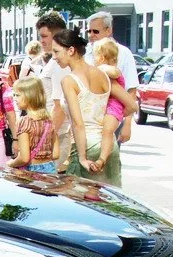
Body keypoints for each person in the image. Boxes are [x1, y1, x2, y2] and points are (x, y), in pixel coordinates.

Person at [54, 28, 129, 187]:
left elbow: (78, 124)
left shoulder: (69, 81)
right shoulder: (103, 74)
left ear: (71, 50)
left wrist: (82, 157)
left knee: (77, 198)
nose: (54, 57)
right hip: (109, 145)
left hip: (85, 145)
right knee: (110, 197)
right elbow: (131, 105)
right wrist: (112, 121)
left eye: (56, 51)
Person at [85, 11, 139, 144]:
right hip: (89, 117)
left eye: (95, 31)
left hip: (112, 115)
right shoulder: (85, 52)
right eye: (89, 31)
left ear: (108, 30)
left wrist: (127, 124)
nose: (91, 35)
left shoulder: (124, 53)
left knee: (109, 153)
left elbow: (131, 90)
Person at [93, 38, 138, 172]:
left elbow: (114, 72)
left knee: (107, 131)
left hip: (114, 107)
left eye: (95, 57)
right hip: (108, 107)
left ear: (101, 58)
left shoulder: (113, 71)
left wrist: (100, 68)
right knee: (104, 132)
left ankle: (102, 158)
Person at [35, 11, 72, 173]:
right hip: (53, 133)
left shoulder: (60, 63)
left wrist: (46, 139)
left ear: (57, 35)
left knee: (52, 183)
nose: (41, 41)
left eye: (44, 36)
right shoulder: (55, 60)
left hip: (57, 136)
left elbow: (61, 106)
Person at [6, 77, 59, 173]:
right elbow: (55, 154)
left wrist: (11, 163)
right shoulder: (49, 121)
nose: (14, 99)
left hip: (31, 171)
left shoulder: (25, 122)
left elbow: (24, 158)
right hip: (50, 169)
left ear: (29, 96)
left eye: (17, 95)